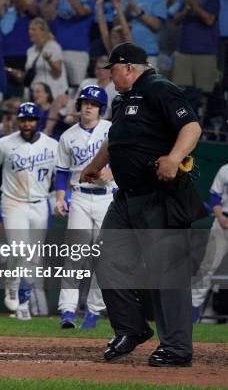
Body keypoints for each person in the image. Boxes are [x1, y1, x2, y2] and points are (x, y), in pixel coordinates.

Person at [81, 42, 203, 367]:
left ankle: (176, 347)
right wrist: (95, 164)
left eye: (113, 70)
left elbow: (191, 126)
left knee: (167, 272)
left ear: (129, 68)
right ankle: (131, 328)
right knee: (105, 256)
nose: (111, 76)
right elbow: (116, 139)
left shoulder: (159, 88)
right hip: (126, 197)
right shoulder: (123, 99)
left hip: (160, 194)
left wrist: (174, 158)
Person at [0, 102, 57, 320]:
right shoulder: (5, 143)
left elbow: (61, 172)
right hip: (13, 203)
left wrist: (63, 193)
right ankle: (12, 285)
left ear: (38, 121)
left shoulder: (52, 145)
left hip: (40, 203)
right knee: (18, 249)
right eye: (23, 119)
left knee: (33, 258)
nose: (26, 123)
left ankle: (23, 302)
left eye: (31, 119)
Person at [54, 85, 113, 330]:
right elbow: (61, 171)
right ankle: (67, 310)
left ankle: (94, 310)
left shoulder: (111, 130)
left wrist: (116, 170)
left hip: (106, 196)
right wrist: (60, 197)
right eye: (86, 102)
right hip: (79, 195)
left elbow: (126, 156)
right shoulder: (68, 136)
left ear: (101, 108)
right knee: (75, 255)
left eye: (95, 103)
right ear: (79, 106)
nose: (89, 106)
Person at [192, 164, 228, 322]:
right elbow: (215, 196)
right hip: (222, 222)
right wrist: (221, 218)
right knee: (207, 267)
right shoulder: (225, 169)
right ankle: (192, 315)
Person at [40, 0, 95, 89]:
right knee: (56, 85)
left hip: (78, 52)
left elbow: (81, 11)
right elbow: (47, 16)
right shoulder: (59, 1)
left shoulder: (88, 0)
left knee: (77, 87)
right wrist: (56, 0)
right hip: (57, 50)